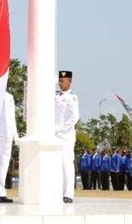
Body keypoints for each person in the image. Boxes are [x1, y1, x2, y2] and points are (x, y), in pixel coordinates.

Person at [55, 71, 80, 203]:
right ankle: (58, 192)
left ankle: (68, 194)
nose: (60, 83)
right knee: (57, 165)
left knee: (66, 164)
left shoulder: (72, 97)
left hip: (65, 136)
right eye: (59, 80)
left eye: (62, 80)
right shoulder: (55, 96)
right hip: (54, 136)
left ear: (69, 81)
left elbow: (74, 118)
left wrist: (60, 129)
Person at [0, 91, 18, 203]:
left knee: (4, 165)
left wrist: (15, 135)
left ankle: (1, 192)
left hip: (8, 134)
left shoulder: (10, 96)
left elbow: (12, 117)